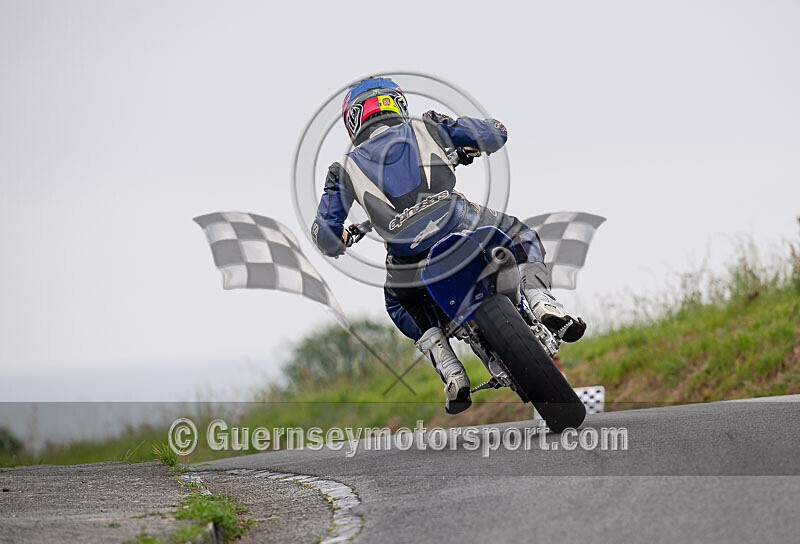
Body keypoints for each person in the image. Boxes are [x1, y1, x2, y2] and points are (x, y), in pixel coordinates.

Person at [311, 77, 585, 414]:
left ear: (353, 120)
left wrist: (337, 239)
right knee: (521, 235)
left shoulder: (344, 169)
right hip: (462, 223)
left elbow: (324, 235)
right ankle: (542, 301)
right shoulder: (427, 127)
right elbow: (493, 133)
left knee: (399, 303)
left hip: (407, 259)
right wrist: (466, 145)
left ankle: (451, 369)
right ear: (397, 104)